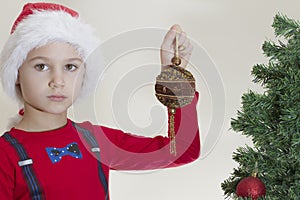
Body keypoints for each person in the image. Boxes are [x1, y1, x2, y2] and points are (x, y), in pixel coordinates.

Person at [0, 2, 200, 200]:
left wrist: (175, 78)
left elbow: (181, 151)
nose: (58, 81)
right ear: (16, 72)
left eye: (70, 67)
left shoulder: (95, 140)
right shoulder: (4, 155)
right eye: (41, 66)